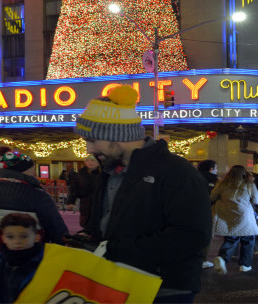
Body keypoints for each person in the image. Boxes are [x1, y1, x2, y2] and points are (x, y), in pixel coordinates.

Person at [74, 84, 212, 304]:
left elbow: (193, 235)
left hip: (164, 288)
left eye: (92, 140)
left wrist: (116, 250)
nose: (89, 149)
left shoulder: (176, 171)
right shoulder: (109, 171)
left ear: (115, 135)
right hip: (117, 281)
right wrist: (89, 240)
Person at [0, 147, 68, 273]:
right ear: (21, 170)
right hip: (29, 258)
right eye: (30, 167)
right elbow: (57, 230)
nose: (33, 171)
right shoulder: (37, 195)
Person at [211, 165, 258, 274]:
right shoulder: (249, 184)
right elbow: (257, 200)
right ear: (244, 173)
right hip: (244, 216)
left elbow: (212, 197)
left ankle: (223, 258)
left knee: (230, 239)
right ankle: (245, 265)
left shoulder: (222, 184)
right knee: (248, 241)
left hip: (227, 215)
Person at [0, 212, 44, 304]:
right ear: (3, 238)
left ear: (36, 237)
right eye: (10, 237)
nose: (17, 241)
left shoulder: (45, 261)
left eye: (23, 236)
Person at [66, 155, 101, 228]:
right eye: (87, 160)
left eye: (92, 160)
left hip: (99, 203)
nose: (90, 162)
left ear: (98, 162)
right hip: (85, 202)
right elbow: (73, 188)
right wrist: (71, 202)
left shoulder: (102, 174)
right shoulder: (80, 174)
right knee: (85, 223)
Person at [196, 159, 219, 269]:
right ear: (211, 168)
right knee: (207, 235)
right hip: (208, 210)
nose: (217, 170)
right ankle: (203, 260)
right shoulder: (214, 179)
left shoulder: (192, 175)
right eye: (216, 167)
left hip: (191, 209)